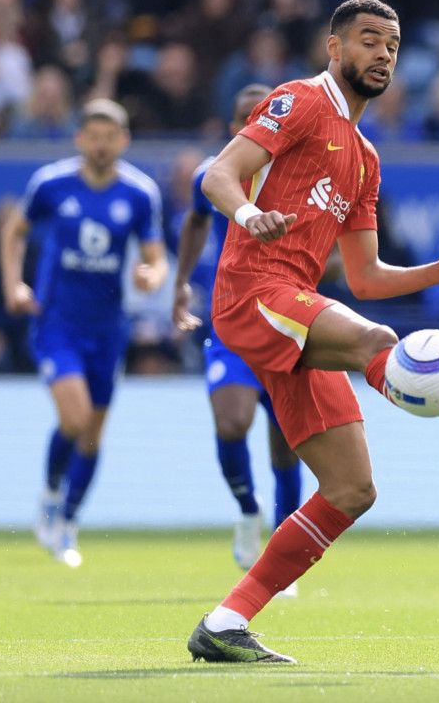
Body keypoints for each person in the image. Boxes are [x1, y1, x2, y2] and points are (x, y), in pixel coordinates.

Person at [185, 0, 439, 664]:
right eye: (369, 41)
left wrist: (437, 270)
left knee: (352, 490)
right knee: (376, 342)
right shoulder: (299, 101)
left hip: (297, 308)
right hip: (253, 292)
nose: (383, 54)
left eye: (393, 45)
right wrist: (249, 212)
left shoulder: (366, 158)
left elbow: (367, 276)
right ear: (335, 48)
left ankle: (225, 622)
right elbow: (219, 175)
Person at [0, 98, 168, 567]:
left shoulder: (139, 194)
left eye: (109, 136)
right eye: (92, 135)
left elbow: (155, 258)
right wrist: (14, 283)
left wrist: (149, 279)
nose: (100, 144)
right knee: (73, 420)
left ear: (123, 141)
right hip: (57, 323)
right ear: (80, 139)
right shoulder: (51, 184)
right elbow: (14, 231)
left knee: (92, 435)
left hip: (108, 328)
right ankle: (51, 491)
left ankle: (67, 523)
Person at [172, 84, 303, 582]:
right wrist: (181, 284)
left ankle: (283, 562)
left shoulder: (303, 175)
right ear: (236, 130)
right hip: (234, 321)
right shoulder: (213, 176)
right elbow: (196, 223)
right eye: (250, 118)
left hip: (290, 322)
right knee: (232, 422)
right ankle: (249, 509)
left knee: (287, 444)